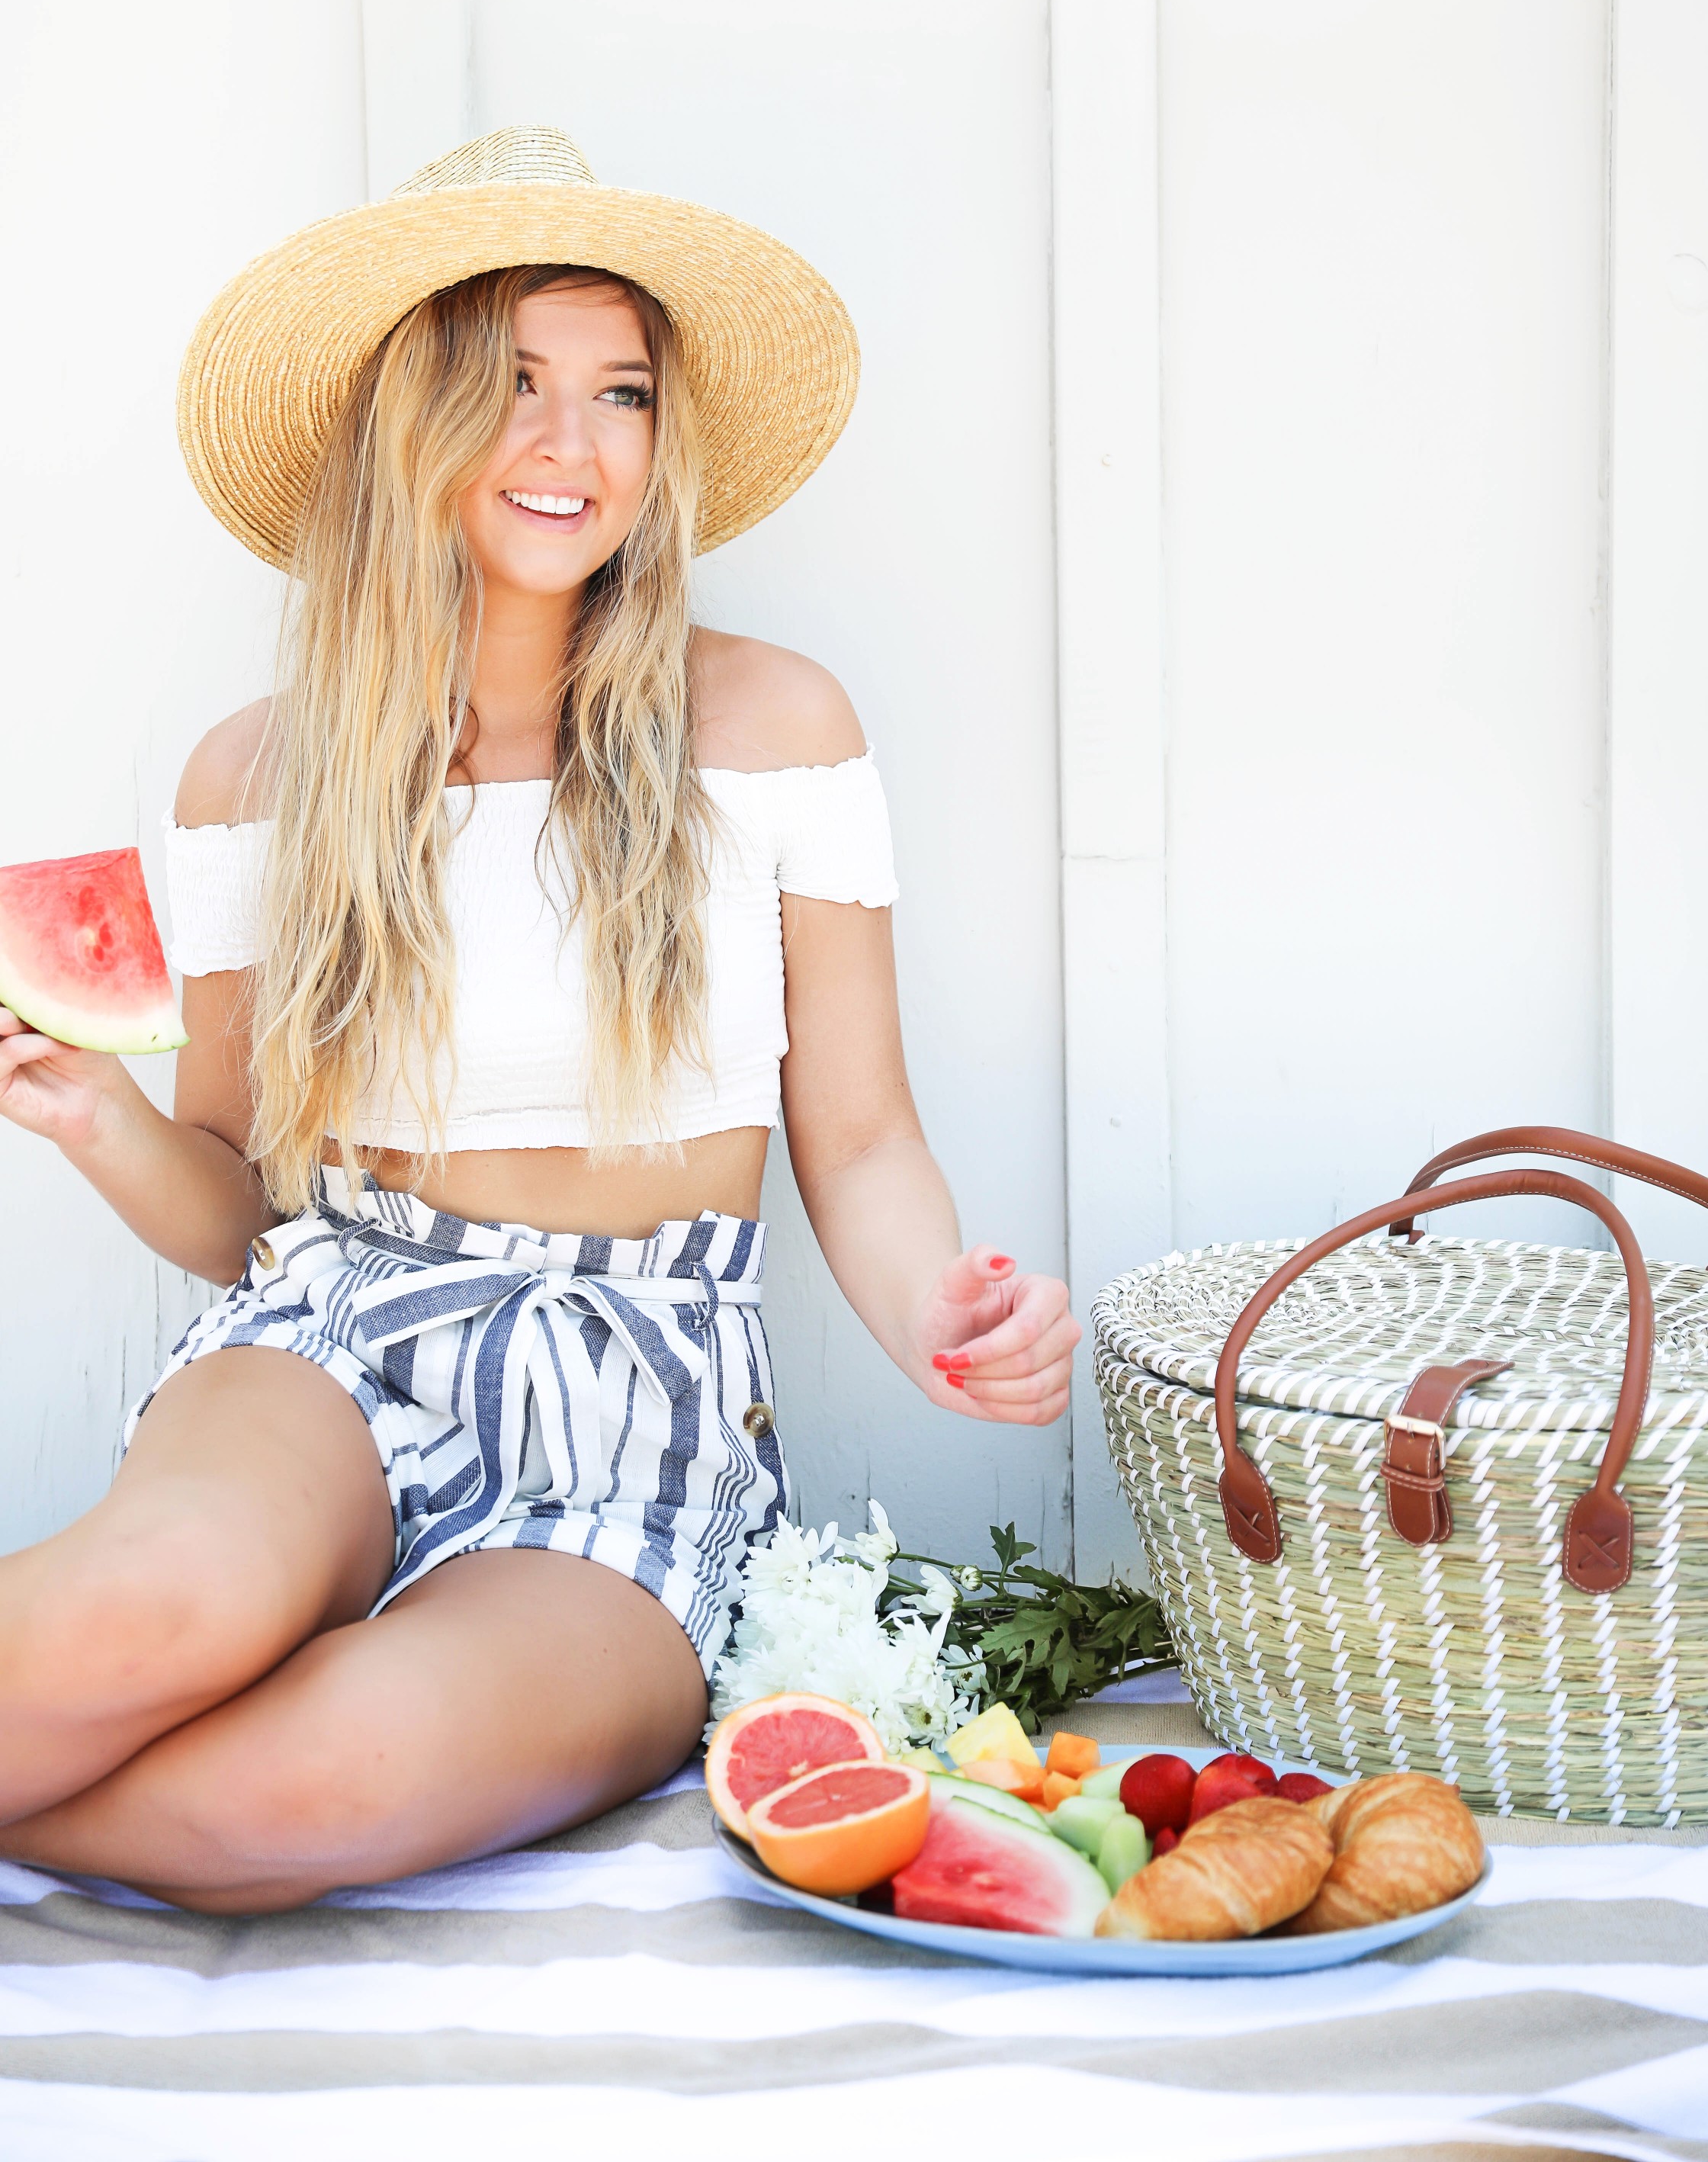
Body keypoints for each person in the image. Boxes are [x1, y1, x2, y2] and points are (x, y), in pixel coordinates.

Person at [0, 127, 1078, 1913]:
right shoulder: (256, 775)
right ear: (403, 422)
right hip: (334, 1338)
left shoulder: (777, 728)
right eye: (507, 385)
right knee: (157, 1610)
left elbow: (865, 1139)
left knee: (304, 1796)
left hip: (648, 1404)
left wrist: (940, 1318)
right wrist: (93, 1117)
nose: (571, 445)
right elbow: (240, 1207)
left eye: (621, 392)